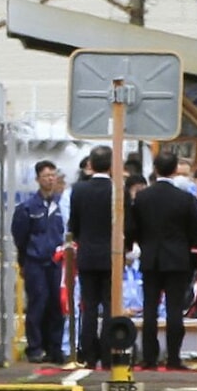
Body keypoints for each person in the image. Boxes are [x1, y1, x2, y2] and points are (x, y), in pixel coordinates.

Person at [127, 152, 197, 370]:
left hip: (151, 257)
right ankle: (174, 358)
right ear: (175, 170)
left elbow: (134, 228)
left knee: (149, 308)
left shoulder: (142, 197)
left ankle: (149, 357)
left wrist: (144, 244)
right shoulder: (186, 198)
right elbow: (194, 232)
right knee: (174, 309)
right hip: (178, 259)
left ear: (155, 169)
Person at [11, 160, 67, 364]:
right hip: (35, 262)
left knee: (57, 304)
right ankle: (35, 347)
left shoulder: (61, 205)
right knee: (38, 303)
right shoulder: (27, 208)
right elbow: (20, 236)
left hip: (57, 262)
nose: (50, 179)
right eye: (46, 176)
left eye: (53, 175)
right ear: (37, 179)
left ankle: (55, 347)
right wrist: (24, 261)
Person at [68, 145, 115, 368]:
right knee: (109, 305)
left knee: (88, 305)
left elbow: (73, 224)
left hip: (86, 253)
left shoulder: (78, 190)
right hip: (111, 255)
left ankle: (87, 354)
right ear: (112, 165)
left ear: (90, 164)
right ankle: (107, 354)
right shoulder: (118, 189)